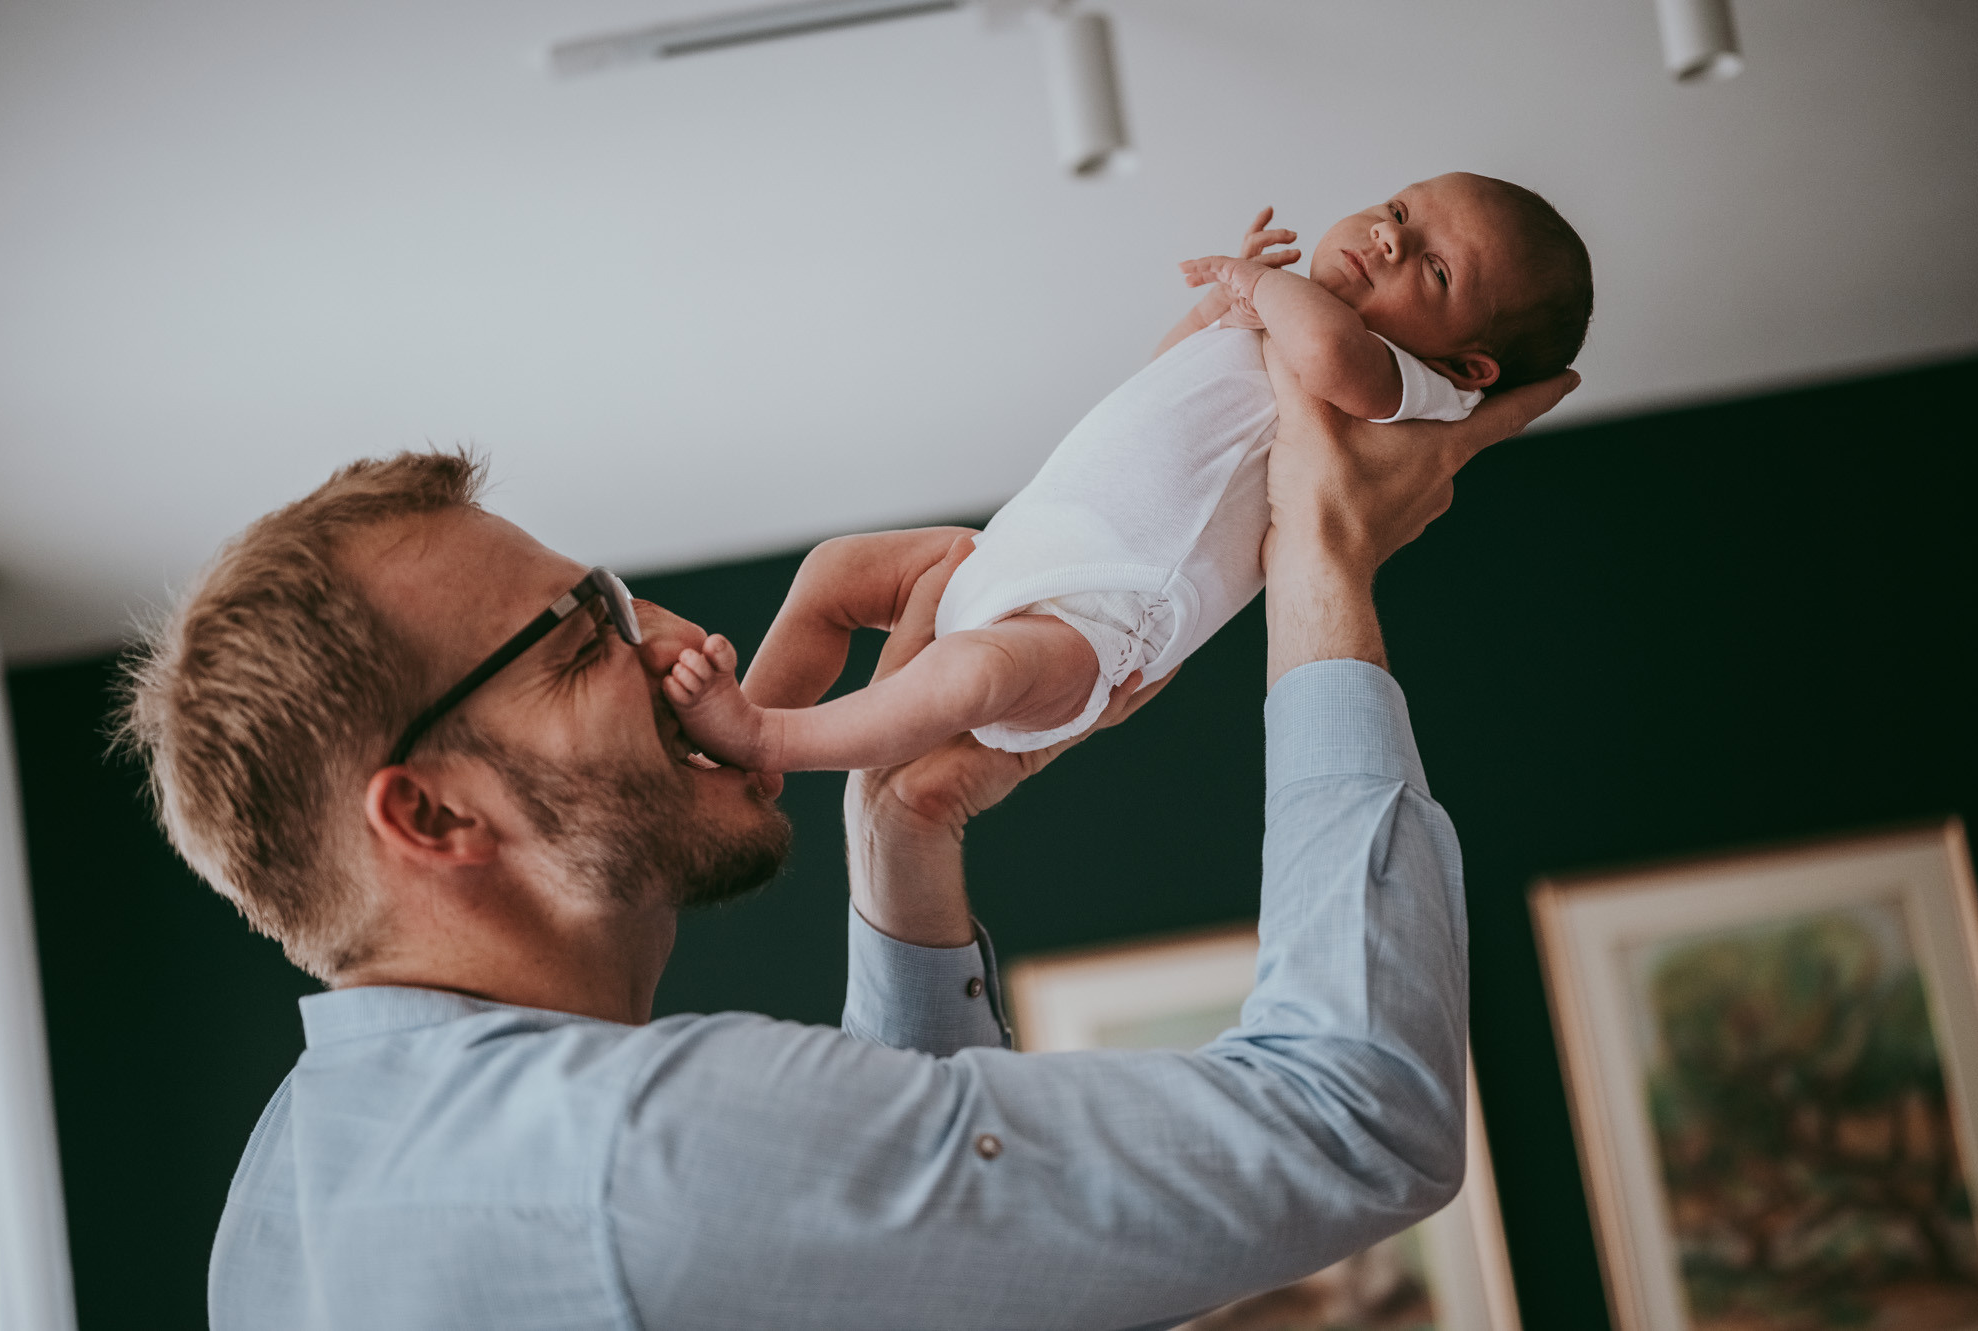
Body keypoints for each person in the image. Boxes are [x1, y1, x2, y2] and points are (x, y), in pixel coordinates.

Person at [120, 341, 1577, 1329]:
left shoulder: (290, 1187)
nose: (693, 641)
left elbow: (941, 1272)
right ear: (432, 812)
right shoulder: (636, 1147)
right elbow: (1354, 1122)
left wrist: (904, 830)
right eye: (583, 643)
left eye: (623, 598)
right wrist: (1320, 555)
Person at [663, 173, 1591, 772]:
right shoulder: (1284, 323)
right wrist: (1213, 317)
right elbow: (1166, 380)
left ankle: (765, 738)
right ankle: (743, 743)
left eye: (1433, 269)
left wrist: (1260, 285)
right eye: (1397, 211)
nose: (1389, 239)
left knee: (966, 679)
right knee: (834, 569)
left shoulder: (1414, 389)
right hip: (1015, 548)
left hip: (1102, 619)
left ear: (1471, 367)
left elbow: (1334, 362)